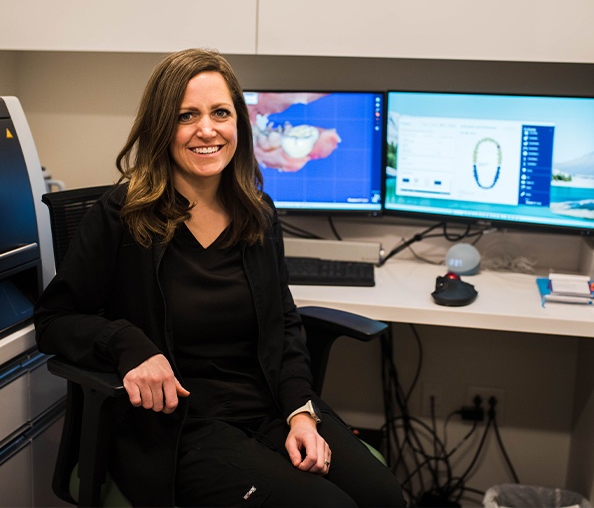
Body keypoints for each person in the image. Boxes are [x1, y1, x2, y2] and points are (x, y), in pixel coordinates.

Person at [34, 48, 406, 508]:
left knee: (386, 498)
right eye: (186, 115)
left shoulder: (257, 213)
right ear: (160, 127)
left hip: (269, 409)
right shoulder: (123, 215)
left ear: (239, 125)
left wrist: (301, 413)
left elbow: (285, 325)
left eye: (220, 113)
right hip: (179, 427)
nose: (206, 129)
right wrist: (127, 343)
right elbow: (54, 320)